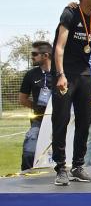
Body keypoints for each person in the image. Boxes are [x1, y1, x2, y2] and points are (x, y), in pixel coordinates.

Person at [51, 0, 91, 185]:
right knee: (61, 120)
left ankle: (78, 166)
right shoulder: (70, 13)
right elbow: (59, 47)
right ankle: (60, 168)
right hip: (66, 75)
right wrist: (60, 75)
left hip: (84, 75)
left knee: (84, 121)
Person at [19, 41, 53, 171]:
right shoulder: (30, 74)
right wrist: (37, 107)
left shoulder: (60, 73)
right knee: (29, 151)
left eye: (34, 54)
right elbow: (22, 99)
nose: (32, 57)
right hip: (38, 121)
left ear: (45, 55)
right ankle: (25, 176)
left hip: (60, 120)